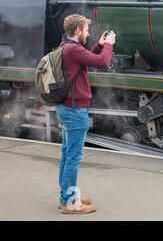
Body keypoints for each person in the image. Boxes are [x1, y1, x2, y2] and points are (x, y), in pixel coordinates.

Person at [57, 14, 115, 214]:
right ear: (77, 31)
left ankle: (65, 197)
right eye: (86, 30)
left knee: (67, 155)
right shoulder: (73, 49)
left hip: (67, 108)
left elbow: (87, 58)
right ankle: (71, 203)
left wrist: (99, 45)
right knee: (73, 158)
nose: (88, 33)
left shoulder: (66, 47)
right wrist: (108, 44)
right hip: (75, 111)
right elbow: (103, 62)